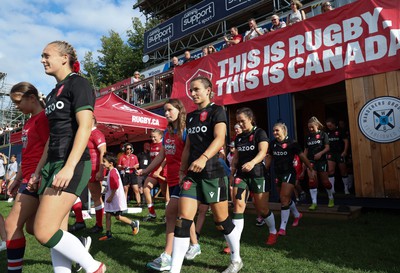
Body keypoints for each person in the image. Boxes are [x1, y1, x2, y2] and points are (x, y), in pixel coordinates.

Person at [31, 40, 105, 272]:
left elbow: (85, 127)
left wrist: (69, 166)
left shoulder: (79, 84)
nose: (42, 60)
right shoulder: (53, 93)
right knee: (56, 230)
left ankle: (94, 267)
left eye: (46, 55)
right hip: (52, 164)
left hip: (71, 163)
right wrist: (37, 172)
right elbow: (52, 138)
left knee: (42, 231)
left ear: (64, 58)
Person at [169, 76, 241, 273]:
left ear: (208, 90)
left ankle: (236, 259)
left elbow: (220, 139)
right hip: (192, 174)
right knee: (183, 219)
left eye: (196, 89)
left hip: (212, 171)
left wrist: (203, 158)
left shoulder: (217, 111)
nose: (192, 93)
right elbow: (187, 147)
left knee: (222, 222)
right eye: (190, 90)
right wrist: (183, 170)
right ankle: (174, 269)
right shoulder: (190, 117)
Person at [138, 99, 202, 271]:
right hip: (173, 179)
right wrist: (146, 171)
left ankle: (167, 255)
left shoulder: (186, 131)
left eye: (169, 110)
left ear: (179, 110)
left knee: (172, 213)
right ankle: (194, 245)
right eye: (164, 111)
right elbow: (161, 156)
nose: (166, 113)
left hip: (185, 178)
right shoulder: (167, 132)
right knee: (182, 214)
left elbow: (192, 153)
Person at [5, 82, 50, 272]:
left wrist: (37, 174)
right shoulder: (30, 121)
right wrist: (17, 179)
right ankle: (75, 247)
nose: (16, 107)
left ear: (31, 98)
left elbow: (50, 146)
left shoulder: (43, 119)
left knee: (11, 225)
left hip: (36, 179)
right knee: (35, 229)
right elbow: (28, 153)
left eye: (17, 102)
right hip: (27, 178)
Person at [230, 107, 277, 247]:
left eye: (242, 121)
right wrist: (232, 171)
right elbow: (236, 157)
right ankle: (234, 241)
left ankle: (273, 231)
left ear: (250, 119)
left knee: (262, 209)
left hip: (258, 175)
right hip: (241, 175)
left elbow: (263, 152)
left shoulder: (259, 133)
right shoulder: (238, 137)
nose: (240, 124)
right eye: (238, 122)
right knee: (238, 207)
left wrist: (252, 163)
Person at [266, 123, 315, 236]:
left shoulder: (292, 144)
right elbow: (269, 158)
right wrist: (264, 170)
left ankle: (282, 228)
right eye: (273, 131)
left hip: (289, 173)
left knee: (284, 198)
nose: (274, 133)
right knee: (284, 198)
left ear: (284, 130)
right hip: (278, 173)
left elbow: (303, 157)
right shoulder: (272, 144)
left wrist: (311, 169)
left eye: (277, 130)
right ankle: (297, 215)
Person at [69, 116, 107, 233]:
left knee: (96, 197)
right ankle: (80, 221)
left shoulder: (96, 133)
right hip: (82, 167)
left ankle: (99, 225)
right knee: (71, 192)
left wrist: (100, 170)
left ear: (93, 120)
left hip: (93, 169)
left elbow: (103, 152)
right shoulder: (83, 133)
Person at [98, 152, 139, 241]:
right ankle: (108, 234)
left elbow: (115, 185)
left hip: (114, 198)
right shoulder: (111, 171)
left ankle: (133, 223)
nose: (103, 163)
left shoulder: (113, 172)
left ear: (110, 163)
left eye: (104, 161)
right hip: (112, 198)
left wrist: (111, 197)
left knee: (117, 217)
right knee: (108, 215)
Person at [304, 116, 334, 210]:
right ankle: (314, 203)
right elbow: (306, 150)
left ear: (317, 125)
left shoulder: (323, 134)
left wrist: (320, 153)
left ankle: (331, 198)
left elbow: (327, 147)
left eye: (312, 127)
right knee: (312, 181)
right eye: (309, 128)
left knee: (325, 182)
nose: (311, 129)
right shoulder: (308, 137)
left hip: (321, 161)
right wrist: (304, 161)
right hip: (311, 161)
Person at [142, 129, 167, 222]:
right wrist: (146, 170)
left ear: (160, 136)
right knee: (146, 188)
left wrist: (160, 170)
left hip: (164, 171)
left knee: (166, 195)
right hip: (153, 171)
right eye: (151, 136)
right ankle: (152, 213)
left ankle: (167, 215)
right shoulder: (152, 145)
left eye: (154, 137)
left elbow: (165, 159)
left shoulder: (164, 145)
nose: (152, 138)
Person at [325, 118, 350, 194]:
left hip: (340, 153)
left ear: (334, 124)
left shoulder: (340, 131)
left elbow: (346, 141)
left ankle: (346, 189)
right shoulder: (326, 133)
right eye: (328, 126)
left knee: (343, 171)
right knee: (330, 171)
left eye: (330, 125)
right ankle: (332, 189)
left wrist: (345, 151)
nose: (329, 127)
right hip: (331, 153)